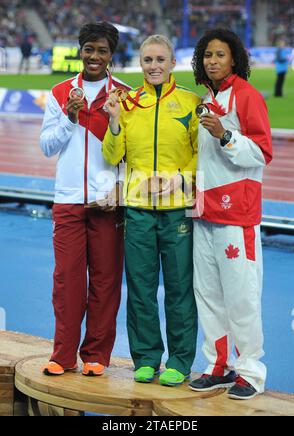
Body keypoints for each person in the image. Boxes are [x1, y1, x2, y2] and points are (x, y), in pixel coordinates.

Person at [102, 35, 200, 386]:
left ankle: (180, 359)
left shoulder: (191, 103)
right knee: (141, 287)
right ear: (140, 64)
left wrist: (179, 180)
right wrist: (114, 121)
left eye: (161, 59)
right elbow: (112, 155)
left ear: (173, 63)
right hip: (139, 209)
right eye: (148, 60)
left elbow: (200, 153)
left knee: (178, 288)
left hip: (177, 211)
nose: (154, 66)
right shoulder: (126, 103)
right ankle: (145, 358)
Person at [40, 22, 129, 377]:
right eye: (89, 49)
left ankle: (96, 356)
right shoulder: (60, 92)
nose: (95, 57)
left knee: (106, 283)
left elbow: (130, 152)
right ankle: (62, 355)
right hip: (69, 202)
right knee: (67, 282)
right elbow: (47, 147)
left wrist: (119, 189)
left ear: (111, 55)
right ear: (80, 50)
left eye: (102, 50)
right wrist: (69, 117)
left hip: (107, 204)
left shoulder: (123, 94)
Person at [189, 29, 272, 399]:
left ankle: (250, 371)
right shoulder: (208, 97)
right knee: (207, 294)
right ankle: (218, 365)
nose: (212, 61)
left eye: (220, 55)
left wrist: (226, 135)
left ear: (234, 59)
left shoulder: (248, 96)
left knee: (241, 296)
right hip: (204, 211)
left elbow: (262, 153)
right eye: (207, 55)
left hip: (237, 213)